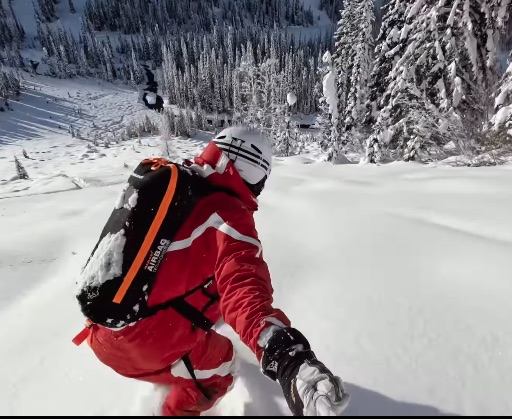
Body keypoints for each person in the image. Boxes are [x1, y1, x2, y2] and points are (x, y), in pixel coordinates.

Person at [81, 126, 350, 416]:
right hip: (140, 346)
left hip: (101, 326)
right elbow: (243, 285)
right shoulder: (228, 214)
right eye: (261, 175)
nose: (259, 187)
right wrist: (285, 355)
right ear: (246, 165)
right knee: (223, 367)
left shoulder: (178, 186)